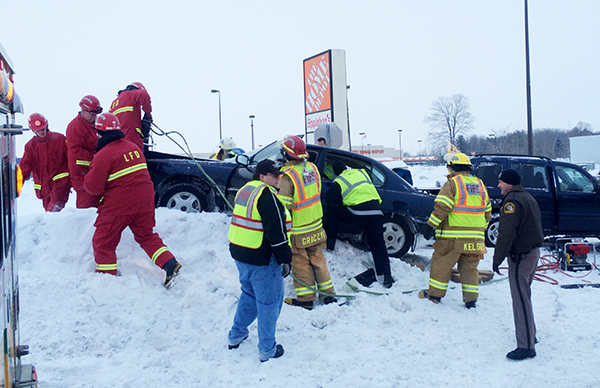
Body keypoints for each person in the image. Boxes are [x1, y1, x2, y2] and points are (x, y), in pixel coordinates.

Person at [84, 113, 181, 289]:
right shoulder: (133, 147)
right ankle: (169, 264)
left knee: (103, 240)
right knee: (146, 236)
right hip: (145, 201)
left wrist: (88, 175)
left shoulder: (103, 155)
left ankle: (107, 281)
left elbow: (94, 188)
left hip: (120, 203)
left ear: (100, 133)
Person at [227, 159, 292, 362]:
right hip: (262, 259)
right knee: (269, 303)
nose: (278, 178)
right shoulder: (267, 196)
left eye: (279, 175)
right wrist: (285, 259)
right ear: (262, 176)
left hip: (241, 253)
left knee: (249, 295)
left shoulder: (245, 190)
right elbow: (276, 232)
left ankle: (236, 335)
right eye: (274, 175)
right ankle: (267, 350)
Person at [418, 152, 491, 308]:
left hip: (452, 238)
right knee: (470, 269)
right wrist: (479, 230)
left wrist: (431, 225)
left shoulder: (452, 184)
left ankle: (434, 295)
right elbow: (487, 211)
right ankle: (471, 300)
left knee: (441, 265)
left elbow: (442, 207)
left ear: (452, 168)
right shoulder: (480, 184)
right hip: (476, 239)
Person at [278, 135, 335, 309]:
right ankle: (328, 295)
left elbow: (283, 206)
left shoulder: (287, 176)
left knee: (300, 262)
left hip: (298, 229)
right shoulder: (312, 168)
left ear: (287, 155)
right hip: (316, 225)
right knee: (318, 259)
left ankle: (306, 300)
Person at [492, 169, 543, 361]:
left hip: (521, 257)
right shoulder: (527, 197)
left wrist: (497, 258)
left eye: (500, 182)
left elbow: (506, 233)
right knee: (525, 297)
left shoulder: (512, 202)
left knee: (520, 300)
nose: (498, 185)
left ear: (509, 183)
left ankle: (526, 346)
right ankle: (530, 335)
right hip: (532, 253)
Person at [324, 159, 394, 288]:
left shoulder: (339, 182)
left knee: (333, 210)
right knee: (378, 244)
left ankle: (330, 243)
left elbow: (335, 201)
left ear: (336, 172)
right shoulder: (361, 173)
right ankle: (386, 277)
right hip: (376, 212)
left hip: (359, 214)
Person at [20, 113, 71, 212]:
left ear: (47, 126)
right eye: (38, 130)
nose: (41, 132)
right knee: (49, 214)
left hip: (61, 183)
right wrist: (17, 182)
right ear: (33, 131)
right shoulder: (30, 146)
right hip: (44, 189)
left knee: (54, 210)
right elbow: (25, 167)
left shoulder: (60, 139)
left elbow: (71, 157)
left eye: (43, 129)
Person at [66, 95, 104, 208]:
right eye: (92, 113)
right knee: (86, 205)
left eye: (96, 113)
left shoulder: (95, 124)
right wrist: (98, 158)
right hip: (82, 172)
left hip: (94, 169)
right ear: (83, 110)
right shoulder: (75, 127)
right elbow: (76, 151)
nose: (95, 116)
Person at [109, 82, 152, 151]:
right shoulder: (131, 94)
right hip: (131, 138)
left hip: (116, 142)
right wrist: (148, 113)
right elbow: (144, 95)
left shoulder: (114, 103)